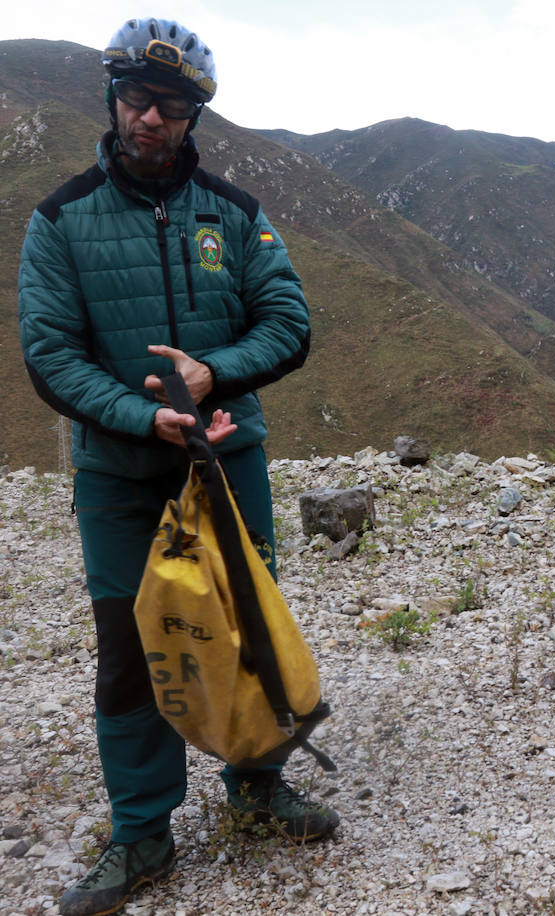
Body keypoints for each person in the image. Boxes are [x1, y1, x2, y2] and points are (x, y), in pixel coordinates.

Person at [17, 18, 337, 915]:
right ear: (112, 98)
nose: (150, 117)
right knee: (131, 652)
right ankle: (141, 831)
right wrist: (142, 415)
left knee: (247, 629)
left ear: (194, 116)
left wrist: (212, 374)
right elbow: (50, 355)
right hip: (118, 474)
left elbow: (288, 322)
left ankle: (258, 785)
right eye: (135, 98)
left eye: (170, 104)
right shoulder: (60, 219)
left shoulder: (233, 213)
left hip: (227, 461)